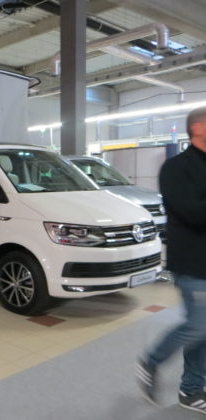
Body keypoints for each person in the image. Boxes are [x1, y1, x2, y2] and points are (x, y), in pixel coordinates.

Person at [136, 106, 206, 413]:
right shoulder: (176, 168)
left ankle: (191, 389)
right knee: (199, 324)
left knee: (204, 328)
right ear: (198, 128)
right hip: (193, 263)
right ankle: (151, 362)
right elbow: (193, 213)